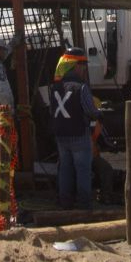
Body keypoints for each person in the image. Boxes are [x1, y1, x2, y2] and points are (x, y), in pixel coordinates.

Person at [50, 48, 101, 210]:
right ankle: (84, 204)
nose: (84, 69)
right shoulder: (81, 88)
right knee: (83, 170)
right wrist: (101, 114)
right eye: (82, 65)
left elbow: (52, 111)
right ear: (75, 66)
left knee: (65, 168)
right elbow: (91, 112)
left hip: (61, 135)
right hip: (79, 134)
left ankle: (65, 202)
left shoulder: (55, 87)